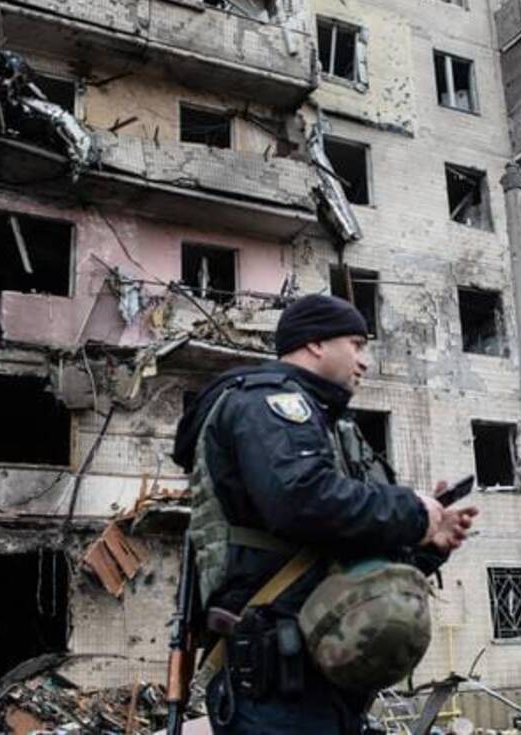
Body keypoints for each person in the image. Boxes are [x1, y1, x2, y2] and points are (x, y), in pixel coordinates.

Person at [172, 294, 477, 734]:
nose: (364, 360)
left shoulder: (330, 423)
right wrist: (411, 512)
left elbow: (342, 552)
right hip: (277, 688)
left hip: (324, 681)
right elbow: (302, 501)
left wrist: (426, 544)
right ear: (315, 343)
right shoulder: (268, 403)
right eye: (356, 343)